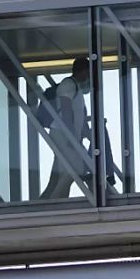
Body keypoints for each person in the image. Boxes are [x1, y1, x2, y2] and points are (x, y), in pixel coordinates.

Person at [40, 57, 92, 199]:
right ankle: (56, 203)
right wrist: (72, 137)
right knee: (75, 168)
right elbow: (66, 111)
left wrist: (88, 135)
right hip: (62, 134)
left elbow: (80, 117)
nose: (89, 77)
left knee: (57, 176)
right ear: (83, 71)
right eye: (89, 72)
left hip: (65, 134)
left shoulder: (76, 88)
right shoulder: (68, 85)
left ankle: (42, 204)